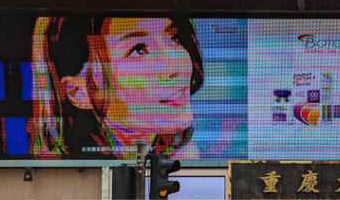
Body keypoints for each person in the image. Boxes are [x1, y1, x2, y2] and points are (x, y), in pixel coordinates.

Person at [26, 16, 207, 159]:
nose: (176, 67)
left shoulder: (187, 156)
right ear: (79, 92)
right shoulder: (60, 170)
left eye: (174, 38)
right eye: (139, 50)